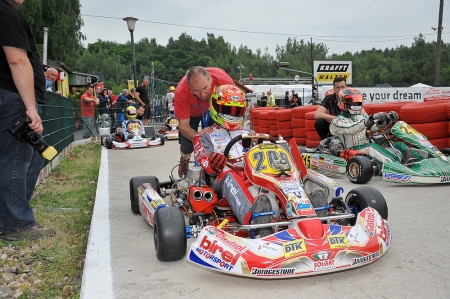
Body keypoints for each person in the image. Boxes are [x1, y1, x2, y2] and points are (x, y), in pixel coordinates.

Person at [0, 0, 56, 240]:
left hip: (10, 96)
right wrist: (30, 108)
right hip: (12, 96)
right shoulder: (6, 13)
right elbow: (17, 60)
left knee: (33, 154)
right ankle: (16, 224)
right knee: (18, 159)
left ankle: (12, 215)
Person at [193, 84, 273, 237]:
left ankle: (307, 211)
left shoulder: (249, 132)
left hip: (254, 175)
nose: (233, 114)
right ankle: (255, 222)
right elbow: (207, 166)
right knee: (230, 176)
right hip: (222, 181)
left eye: (237, 111)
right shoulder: (204, 136)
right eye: (228, 110)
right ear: (216, 107)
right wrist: (214, 161)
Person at [174, 66, 234, 177]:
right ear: (189, 86)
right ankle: (185, 159)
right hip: (192, 114)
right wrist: (201, 139)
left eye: (205, 88)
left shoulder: (224, 82)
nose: (203, 94)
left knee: (220, 141)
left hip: (215, 111)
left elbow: (233, 114)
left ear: (210, 79)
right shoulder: (181, 91)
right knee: (187, 146)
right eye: (196, 91)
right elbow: (183, 125)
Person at [329, 88, 400, 163]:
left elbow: (372, 127)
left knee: (398, 144)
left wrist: (386, 121)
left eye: (357, 100)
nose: (356, 103)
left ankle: (411, 161)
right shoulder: (336, 121)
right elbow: (351, 128)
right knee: (371, 147)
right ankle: (397, 166)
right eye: (351, 101)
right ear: (342, 102)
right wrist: (370, 118)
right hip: (351, 151)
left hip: (366, 149)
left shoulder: (361, 117)